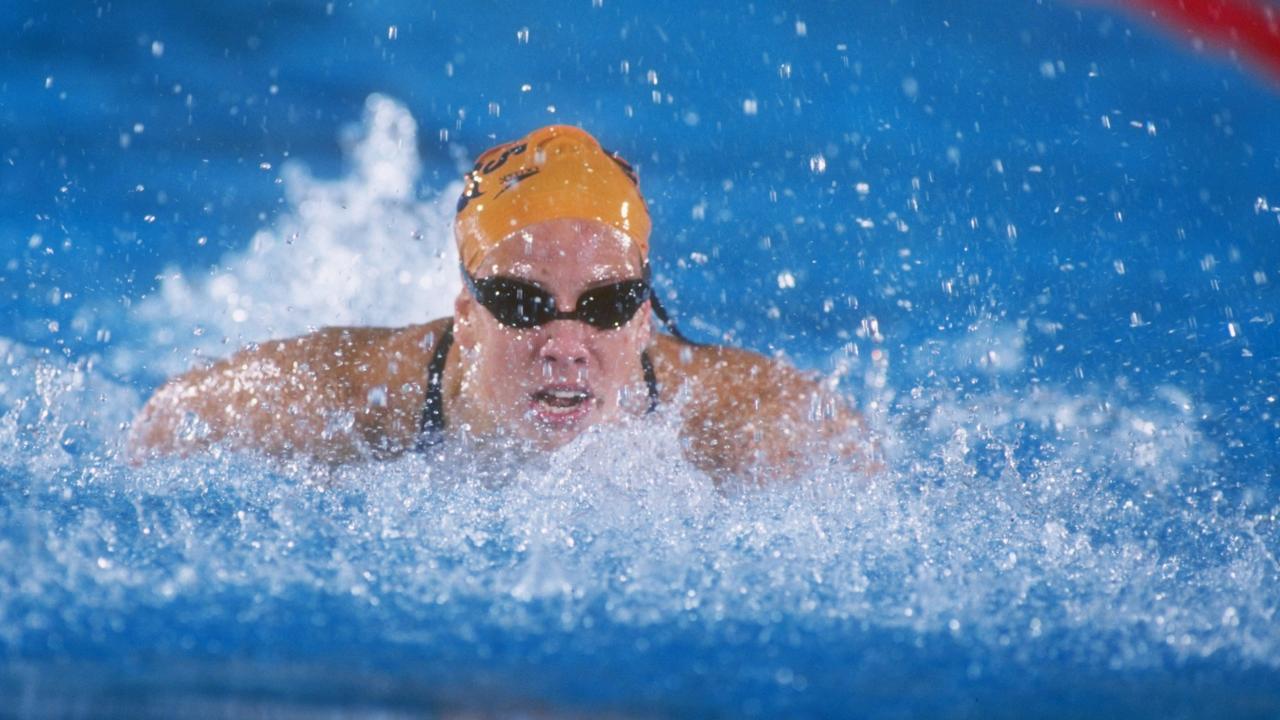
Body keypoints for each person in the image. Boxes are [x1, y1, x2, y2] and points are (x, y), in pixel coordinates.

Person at [127, 125, 873, 482]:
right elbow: (168, 421)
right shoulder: (349, 397)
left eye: (607, 303)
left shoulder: (746, 426)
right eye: (521, 301)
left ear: (645, 317)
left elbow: (856, 463)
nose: (565, 342)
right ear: (464, 313)